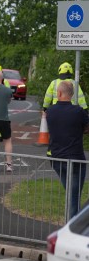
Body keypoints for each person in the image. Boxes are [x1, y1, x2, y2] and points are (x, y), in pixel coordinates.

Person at [46, 80, 89, 218]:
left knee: (70, 193)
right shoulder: (78, 112)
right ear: (72, 95)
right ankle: (72, 225)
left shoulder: (50, 111)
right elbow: (86, 128)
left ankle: (72, 223)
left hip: (56, 158)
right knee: (74, 195)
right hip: (75, 159)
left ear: (59, 93)